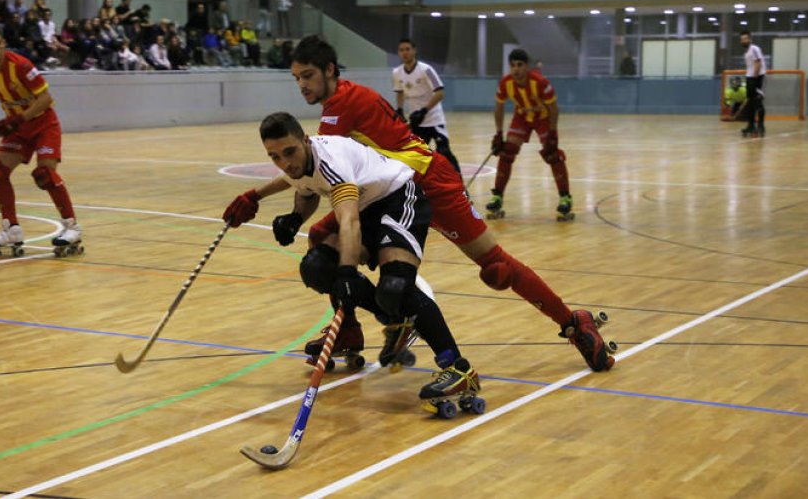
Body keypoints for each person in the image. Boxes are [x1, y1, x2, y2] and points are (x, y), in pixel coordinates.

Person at [223, 37, 615, 373]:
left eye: (307, 76)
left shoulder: (342, 106)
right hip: (389, 190)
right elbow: (312, 173)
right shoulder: (339, 104)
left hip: (429, 181)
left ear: (329, 71)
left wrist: (258, 197)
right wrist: (263, 199)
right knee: (323, 242)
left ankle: (573, 322)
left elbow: (311, 169)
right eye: (296, 78)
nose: (302, 85)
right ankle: (352, 328)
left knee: (495, 265)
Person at [242, 112, 482, 411]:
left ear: (305, 140)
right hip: (368, 208)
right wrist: (291, 216)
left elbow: (350, 222)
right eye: (274, 156)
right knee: (317, 267)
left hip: (398, 198)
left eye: (289, 152)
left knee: (395, 286)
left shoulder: (331, 162)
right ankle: (397, 317)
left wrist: (347, 272)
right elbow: (304, 188)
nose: (285, 162)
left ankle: (458, 368)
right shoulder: (296, 163)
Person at [0, 23, 82, 256]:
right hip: (18, 127)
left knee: (45, 175)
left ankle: (72, 227)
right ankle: (11, 229)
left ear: (4, 44)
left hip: (43, 123)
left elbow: (46, 99)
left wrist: (18, 119)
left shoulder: (20, 66)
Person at [487, 49, 574, 221]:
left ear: (527, 66)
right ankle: (497, 196)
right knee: (506, 152)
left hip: (543, 117)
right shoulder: (506, 83)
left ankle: (565, 198)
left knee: (552, 154)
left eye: (519, 65)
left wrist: (552, 133)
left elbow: (554, 109)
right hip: (522, 117)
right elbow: (499, 107)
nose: (516, 69)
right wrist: (498, 133)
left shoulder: (540, 82)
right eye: (512, 65)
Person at [392, 38, 461, 175]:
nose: (405, 53)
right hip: (417, 122)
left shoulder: (426, 70)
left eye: (407, 49)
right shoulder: (397, 73)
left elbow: (440, 92)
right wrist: (399, 109)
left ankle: (459, 185)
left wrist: (424, 110)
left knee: (444, 152)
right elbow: (400, 92)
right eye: (401, 50)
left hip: (434, 119)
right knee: (416, 156)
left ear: (414, 51)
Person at [739, 31, 766, 138]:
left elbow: (758, 62)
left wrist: (755, 78)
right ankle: (750, 125)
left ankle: (761, 125)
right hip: (750, 77)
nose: (743, 41)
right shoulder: (746, 53)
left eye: (745, 39)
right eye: (742, 39)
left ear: (750, 39)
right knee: (750, 103)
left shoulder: (754, 49)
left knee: (757, 102)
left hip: (757, 78)